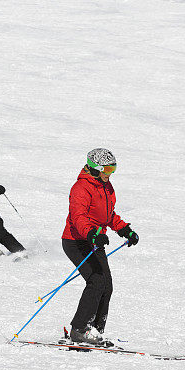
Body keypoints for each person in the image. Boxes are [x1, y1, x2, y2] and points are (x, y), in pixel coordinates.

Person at [62, 148, 139, 345]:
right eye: (107, 169)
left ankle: (95, 329)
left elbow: (108, 215)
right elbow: (78, 217)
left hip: (95, 240)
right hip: (77, 241)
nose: (110, 173)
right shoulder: (81, 188)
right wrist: (91, 234)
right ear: (96, 168)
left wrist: (124, 230)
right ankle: (80, 329)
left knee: (107, 285)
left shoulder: (106, 187)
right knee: (96, 281)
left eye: (113, 168)